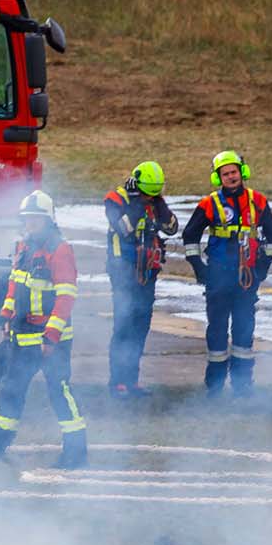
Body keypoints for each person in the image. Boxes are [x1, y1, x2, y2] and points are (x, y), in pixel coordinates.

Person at [0, 191, 86, 469]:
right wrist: (6, 316)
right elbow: (14, 284)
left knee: (59, 392)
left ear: (47, 220)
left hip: (49, 340)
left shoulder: (59, 250)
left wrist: (52, 336)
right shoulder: (23, 247)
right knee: (11, 390)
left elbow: (66, 297)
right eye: (27, 219)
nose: (30, 224)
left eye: (35, 219)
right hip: (21, 336)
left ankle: (76, 451)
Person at [179, 150, 272, 397]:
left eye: (234, 172)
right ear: (218, 178)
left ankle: (243, 386)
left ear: (242, 172)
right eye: (225, 174)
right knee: (217, 329)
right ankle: (214, 386)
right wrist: (199, 267)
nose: (231, 177)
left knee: (244, 329)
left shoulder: (259, 201)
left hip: (247, 276)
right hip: (219, 276)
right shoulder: (209, 204)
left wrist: (263, 265)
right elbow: (190, 235)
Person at [102, 161, 177, 399]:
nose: (149, 198)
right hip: (123, 271)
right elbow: (123, 229)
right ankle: (117, 382)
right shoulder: (115, 200)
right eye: (146, 193)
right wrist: (136, 203)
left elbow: (172, 228)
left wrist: (160, 204)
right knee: (123, 326)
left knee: (141, 327)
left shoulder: (155, 201)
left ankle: (132, 381)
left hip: (148, 272)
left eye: (153, 194)